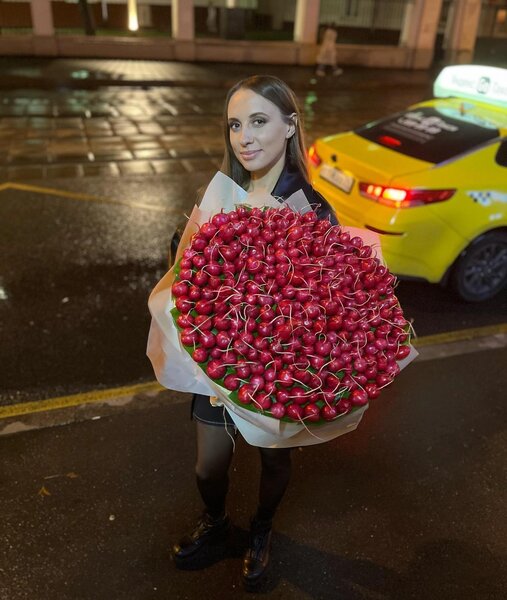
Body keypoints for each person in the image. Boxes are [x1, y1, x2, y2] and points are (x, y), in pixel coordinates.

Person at [171, 75, 337, 588]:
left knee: (273, 464)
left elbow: (332, 306)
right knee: (208, 467)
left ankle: (262, 530)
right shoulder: (222, 193)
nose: (244, 136)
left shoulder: (312, 210)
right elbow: (185, 271)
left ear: (290, 126)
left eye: (259, 121)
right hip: (215, 368)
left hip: (280, 375)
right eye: (236, 124)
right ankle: (217, 522)